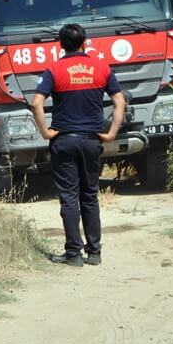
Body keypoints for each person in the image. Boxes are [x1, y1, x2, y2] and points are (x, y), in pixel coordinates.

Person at [31, 24, 126, 267]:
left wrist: (45, 132)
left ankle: (73, 253)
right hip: (91, 140)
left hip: (63, 141)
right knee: (90, 196)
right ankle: (94, 252)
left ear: (60, 45)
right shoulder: (102, 67)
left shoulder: (54, 69)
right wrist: (112, 132)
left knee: (69, 198)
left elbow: (36, 103)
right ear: (85, 43)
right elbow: (119, 101)